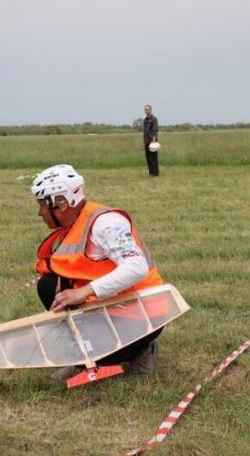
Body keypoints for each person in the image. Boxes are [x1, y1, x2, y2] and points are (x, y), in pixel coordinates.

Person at [31, 164, 165, 378]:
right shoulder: (74, 224)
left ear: (62, 203)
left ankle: (141, 351)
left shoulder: (106, 223)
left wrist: (83, 292)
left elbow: (136, 267)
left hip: (144, 312)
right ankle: (83, 359)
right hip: (111, 303)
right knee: (49, 284)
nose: (39, 212)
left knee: (106, 349)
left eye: (42, 205)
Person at [142, 104, 159, 177]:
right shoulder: (145, 120)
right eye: (145, 110)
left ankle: (155, 173)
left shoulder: (154, 119)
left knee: (153, 158)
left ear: (151, 110)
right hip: (146, 141)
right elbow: (144, 132)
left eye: (148, 109)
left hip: (152, 141)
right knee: (148, 158)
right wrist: (143, 143)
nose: (146, 111)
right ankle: (151, 172)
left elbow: (155, 131)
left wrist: (153, 141)